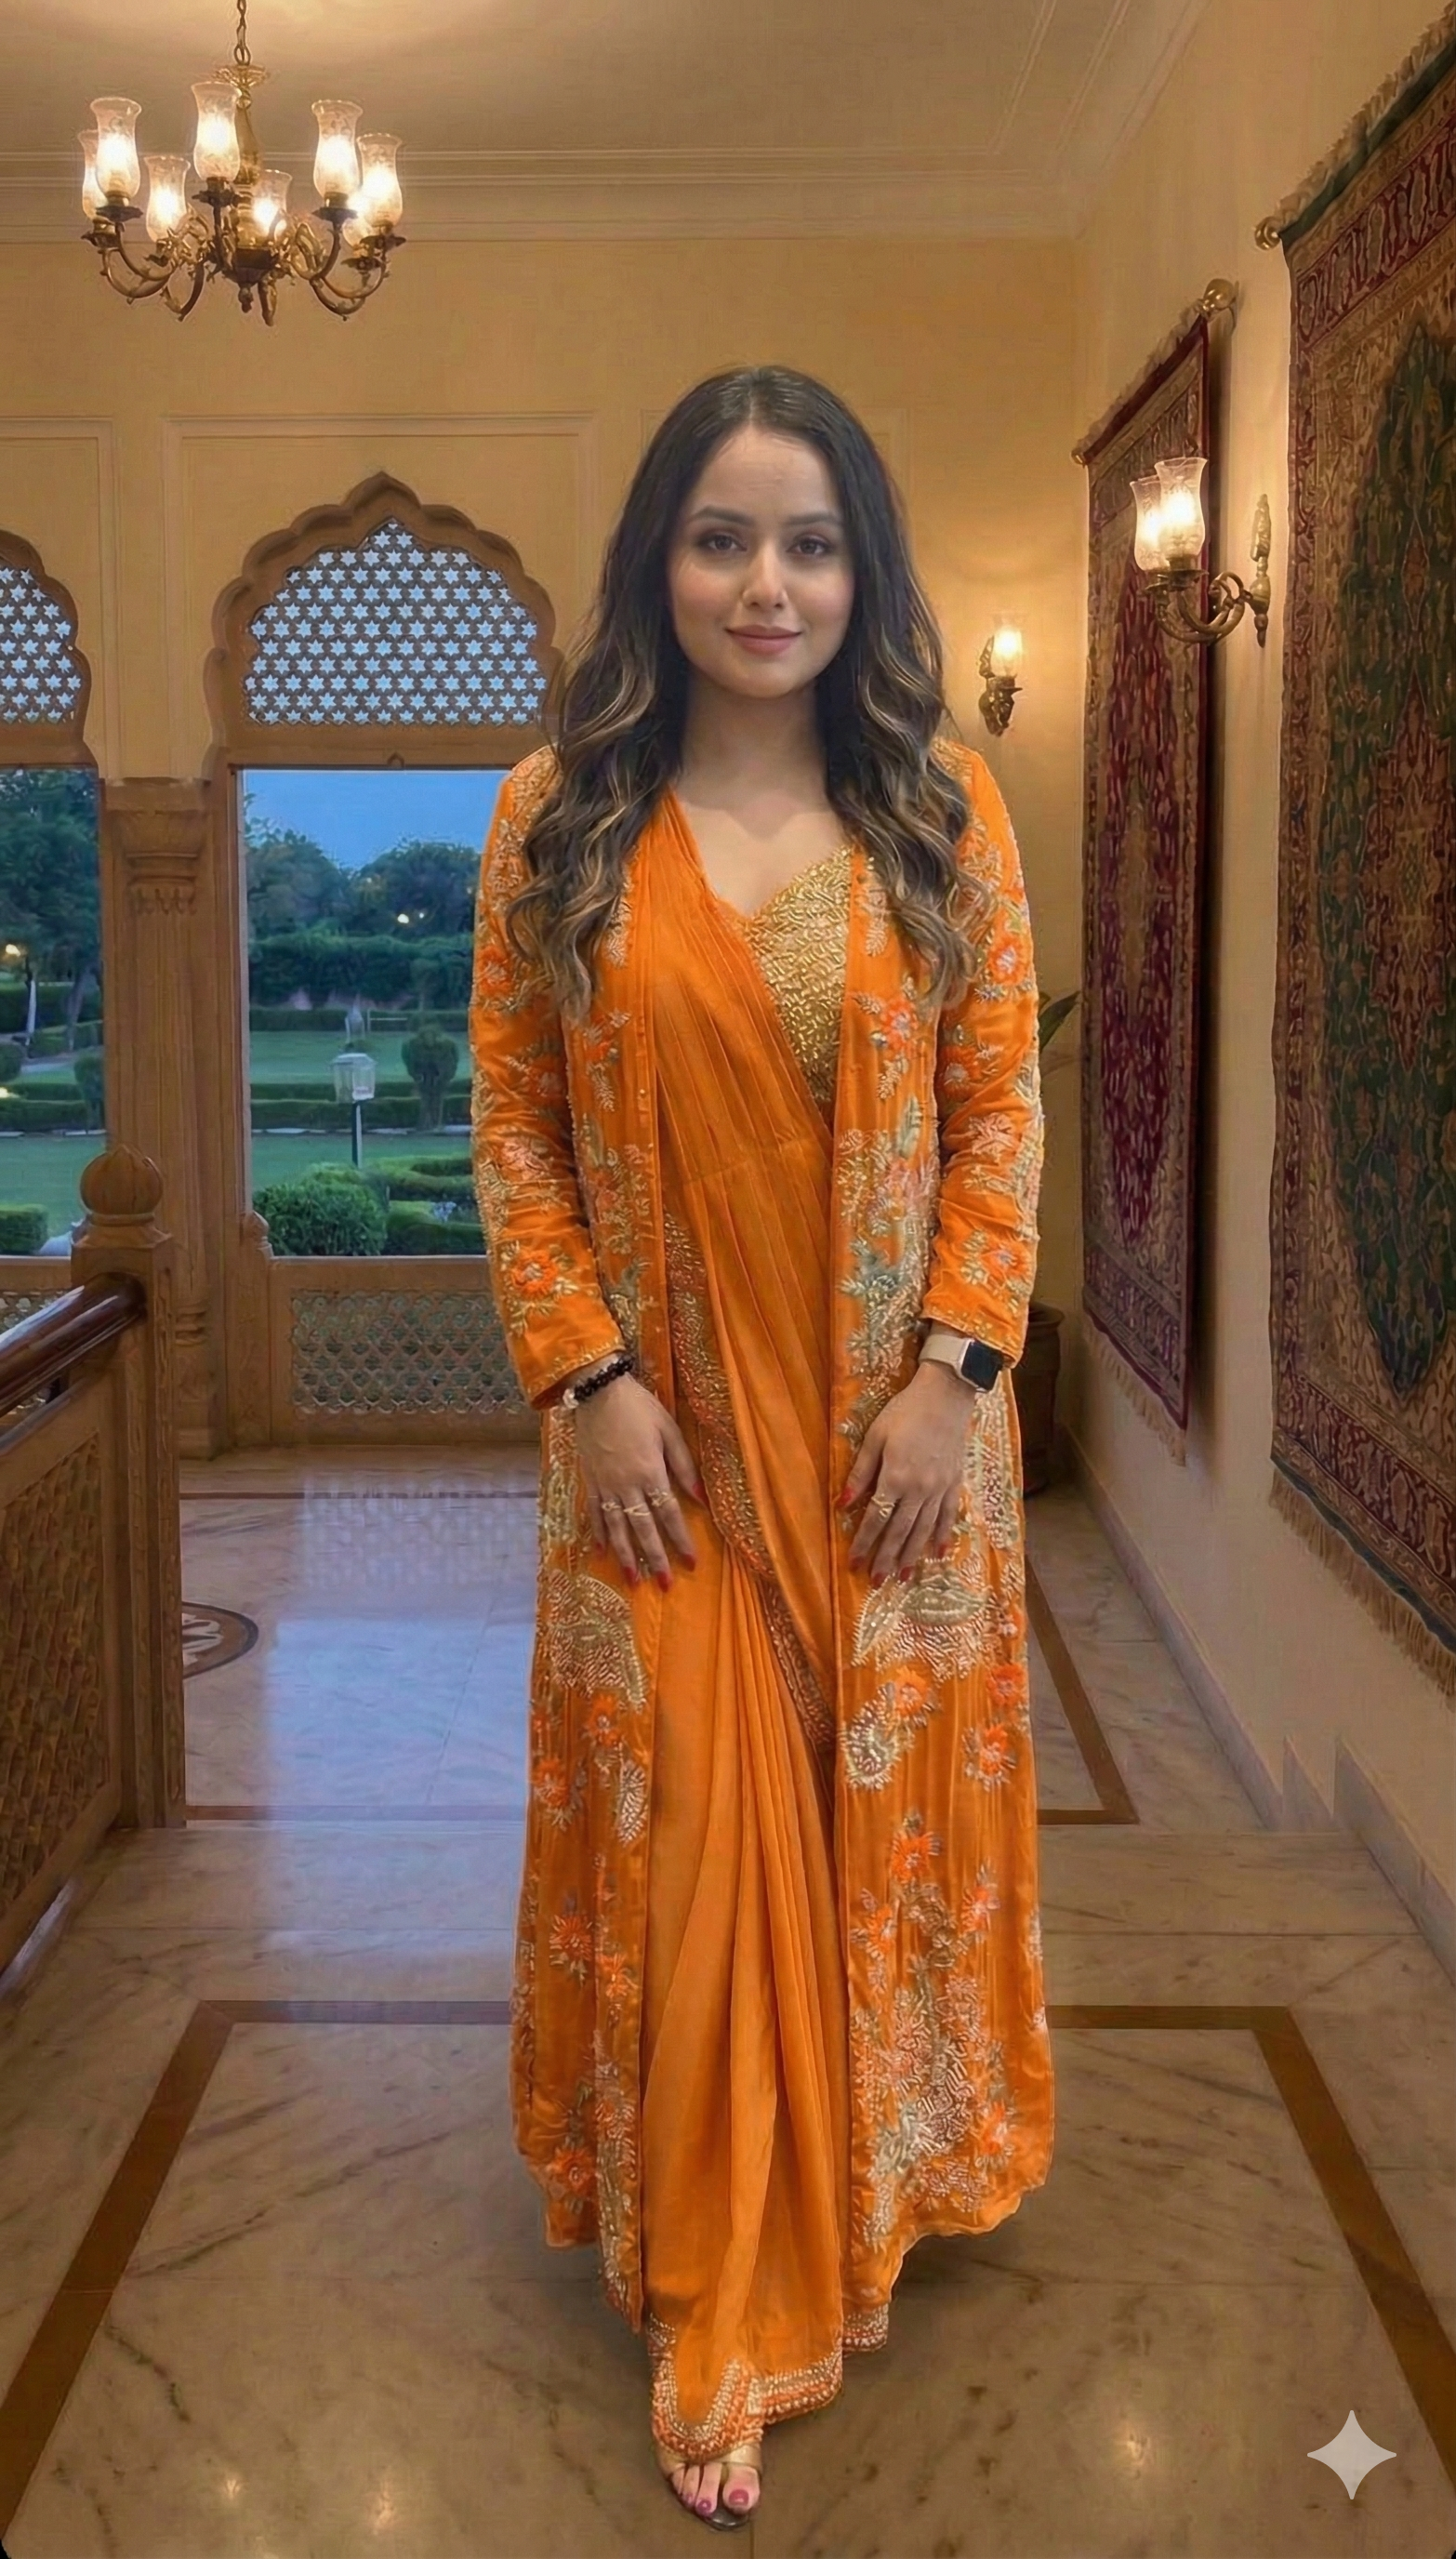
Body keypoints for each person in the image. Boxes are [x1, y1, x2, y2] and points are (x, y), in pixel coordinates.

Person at [469, 365, 1053, 2532]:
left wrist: (956, 1373)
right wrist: (588, 1376)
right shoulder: (562, 818)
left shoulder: (939, 808)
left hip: (892, 1459)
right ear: (656, 564)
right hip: (657, 1465)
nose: (766, 582)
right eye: (722, 536)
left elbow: (1001, 1117)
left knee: (854, 1825)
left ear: (863, 572)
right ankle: (721, 2288)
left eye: (809, 540)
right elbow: (515, 1132)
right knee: (707, 1835)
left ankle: (863, 2195)